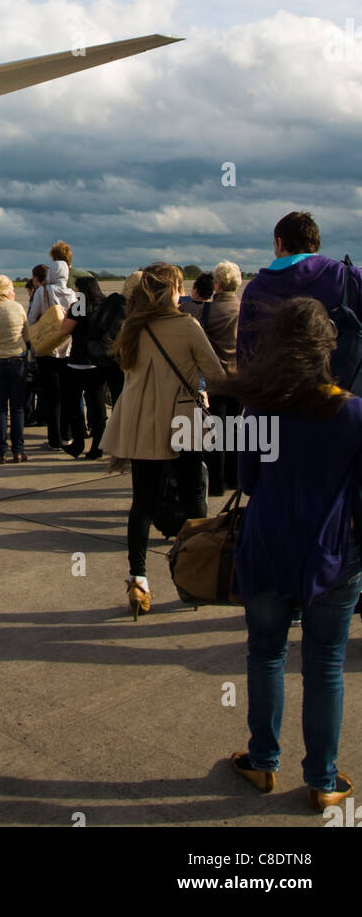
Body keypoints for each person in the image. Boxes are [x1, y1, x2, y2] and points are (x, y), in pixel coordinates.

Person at [217, 297, 362, 811]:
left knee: (266, 653)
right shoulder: (353, 413)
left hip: (268, 545)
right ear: (329, 348)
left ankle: (262, 762)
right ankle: (323, 780)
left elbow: (248, 480)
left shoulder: (262, 408)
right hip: (333, 554)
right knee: (325, 664)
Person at [103, 263, 225, 619]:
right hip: (182, 420)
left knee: (142, 503)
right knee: (193, 502)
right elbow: (214, 373)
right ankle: (195, 578)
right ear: (170, 290)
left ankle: (138, 580)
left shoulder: (131, 327)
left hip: (142, 422)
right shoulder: (187, 326)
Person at [237, 211, 362, 366]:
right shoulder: (348, 277)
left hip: (274, 386)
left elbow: (245, 356)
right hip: (341, 383)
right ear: (316, 243)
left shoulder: (255, 289)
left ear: (279, 243)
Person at [28, 242, 78, 451]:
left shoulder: (43, 292)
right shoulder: (74, 295)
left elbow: (32, 319)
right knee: (67, 395)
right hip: (67, 349)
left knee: (51, 396)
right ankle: (67, 434)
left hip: (47, 350)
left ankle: (54, 439)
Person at [201, 260, 244, 493]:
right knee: (235, 429)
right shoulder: (245, 310)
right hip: (239, 379)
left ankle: (215, 482)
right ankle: (233, 477)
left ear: (217, 284)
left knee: (214, 431)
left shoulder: (208, 310)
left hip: (214, 380)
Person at [57, 274, 108, 460]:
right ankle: (98, 446)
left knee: (74, 406)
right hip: (98, 363)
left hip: (78, 362)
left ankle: (78, 443)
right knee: (98, 407)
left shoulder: (78, 307)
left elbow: (64, 330)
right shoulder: (104, 307)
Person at [0, 275, 30, 464]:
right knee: (17, 408)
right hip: (17, 359)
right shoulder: (17, 307)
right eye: (11, 289)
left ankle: (1, 451)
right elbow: (27, 335)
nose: (13, 292)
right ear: (4, 290)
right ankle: (19, 451)